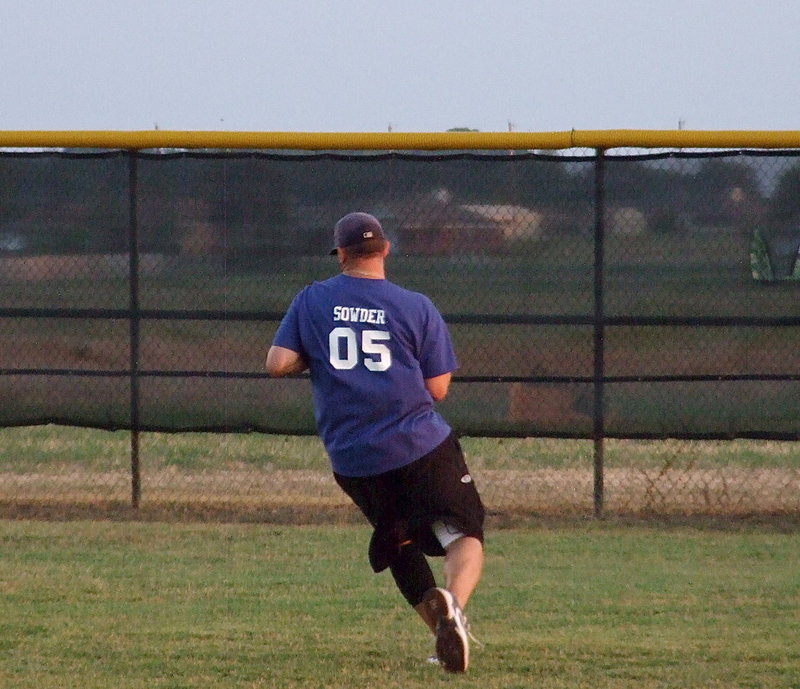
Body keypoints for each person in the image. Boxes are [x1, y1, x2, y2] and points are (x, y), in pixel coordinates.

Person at [265, 211, 485, 673]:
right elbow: (439, 388)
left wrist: (320, 357)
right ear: (385, 250)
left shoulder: (312, 299)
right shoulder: (415, 305)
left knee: (399, 541)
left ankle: (444, 631)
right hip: (418, 444)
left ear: (341, 254)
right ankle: (455, 607)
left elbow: (278, 362)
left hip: (354, 459)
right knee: (463, 532)